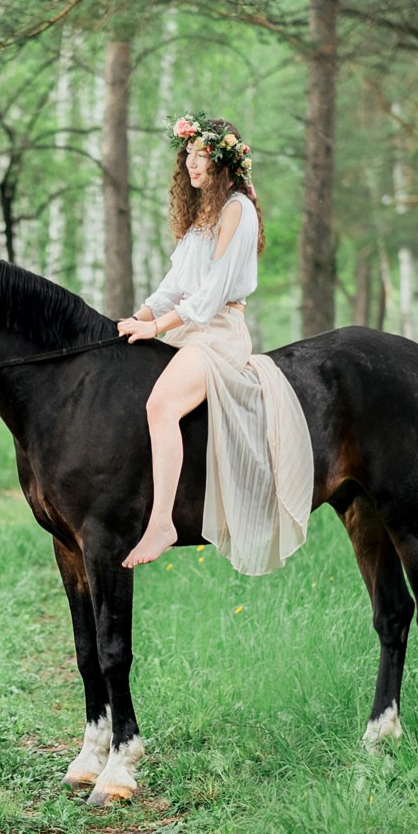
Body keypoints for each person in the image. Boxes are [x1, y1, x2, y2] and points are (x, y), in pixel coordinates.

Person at [116, 113, 313, 575]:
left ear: (223, 161)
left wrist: (156, 328)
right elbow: (172, 286)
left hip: (219, 332)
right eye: (187, 153)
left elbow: (210, 296)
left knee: (160, 406)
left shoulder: (237, 210)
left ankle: (162, 524)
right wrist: (136, 319)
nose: (191, 163)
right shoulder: (201, 217)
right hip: (188, 327)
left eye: (201, 154)